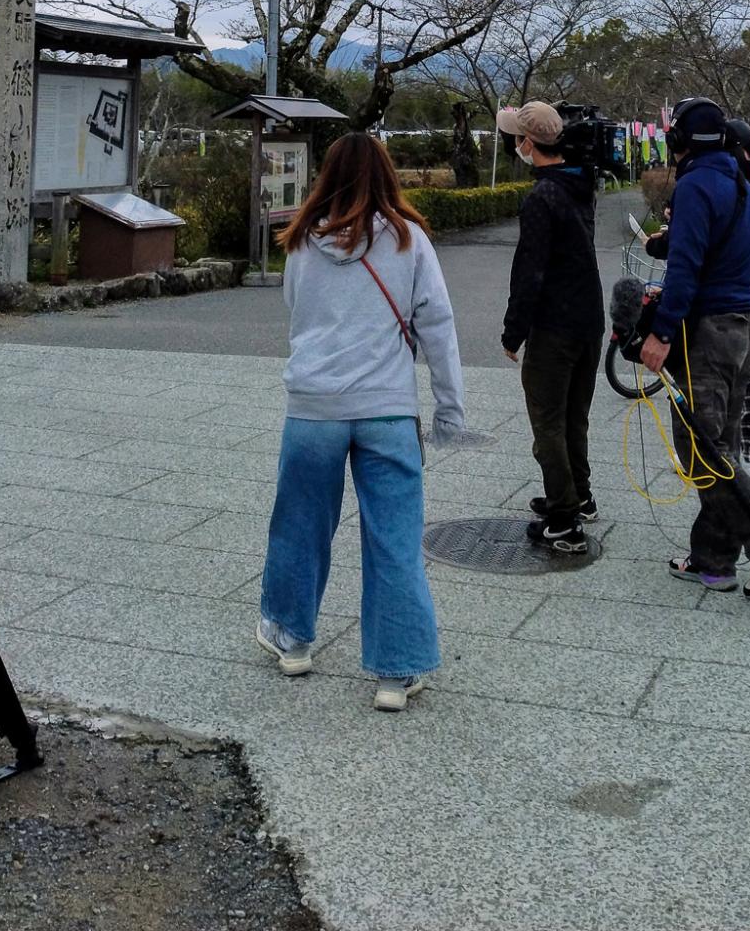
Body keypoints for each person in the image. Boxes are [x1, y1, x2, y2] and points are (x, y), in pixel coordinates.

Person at [257, 132, 467, 713]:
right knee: (393, 539)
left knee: (300, 526)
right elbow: (439, 329)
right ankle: (395, 675)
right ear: (386, 175)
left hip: (313, 409)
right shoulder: (410, 241)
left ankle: (294, 640)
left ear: (327, 175)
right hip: (387, 409)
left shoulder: (300, 240)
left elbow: (298, 317)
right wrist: (450, 409)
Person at [639, 97, 750, 602]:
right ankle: (713, 561)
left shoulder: (694, 185)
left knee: (703, 456)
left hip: (708, 333)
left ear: (679, 142)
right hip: (746, 330)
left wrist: (661, 331)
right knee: (722, 451)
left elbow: (687, 265)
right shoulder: (745, 183)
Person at [498, 100, 605, 555]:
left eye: (516, 138)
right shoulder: (581, 184)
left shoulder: (542, 196)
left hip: (555, 326)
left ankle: (563, 520)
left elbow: (530, 271)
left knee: (547, 421)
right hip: (589, 321)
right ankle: (579, 494)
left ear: (528, 143)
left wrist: (513, 331)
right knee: (573, 415)